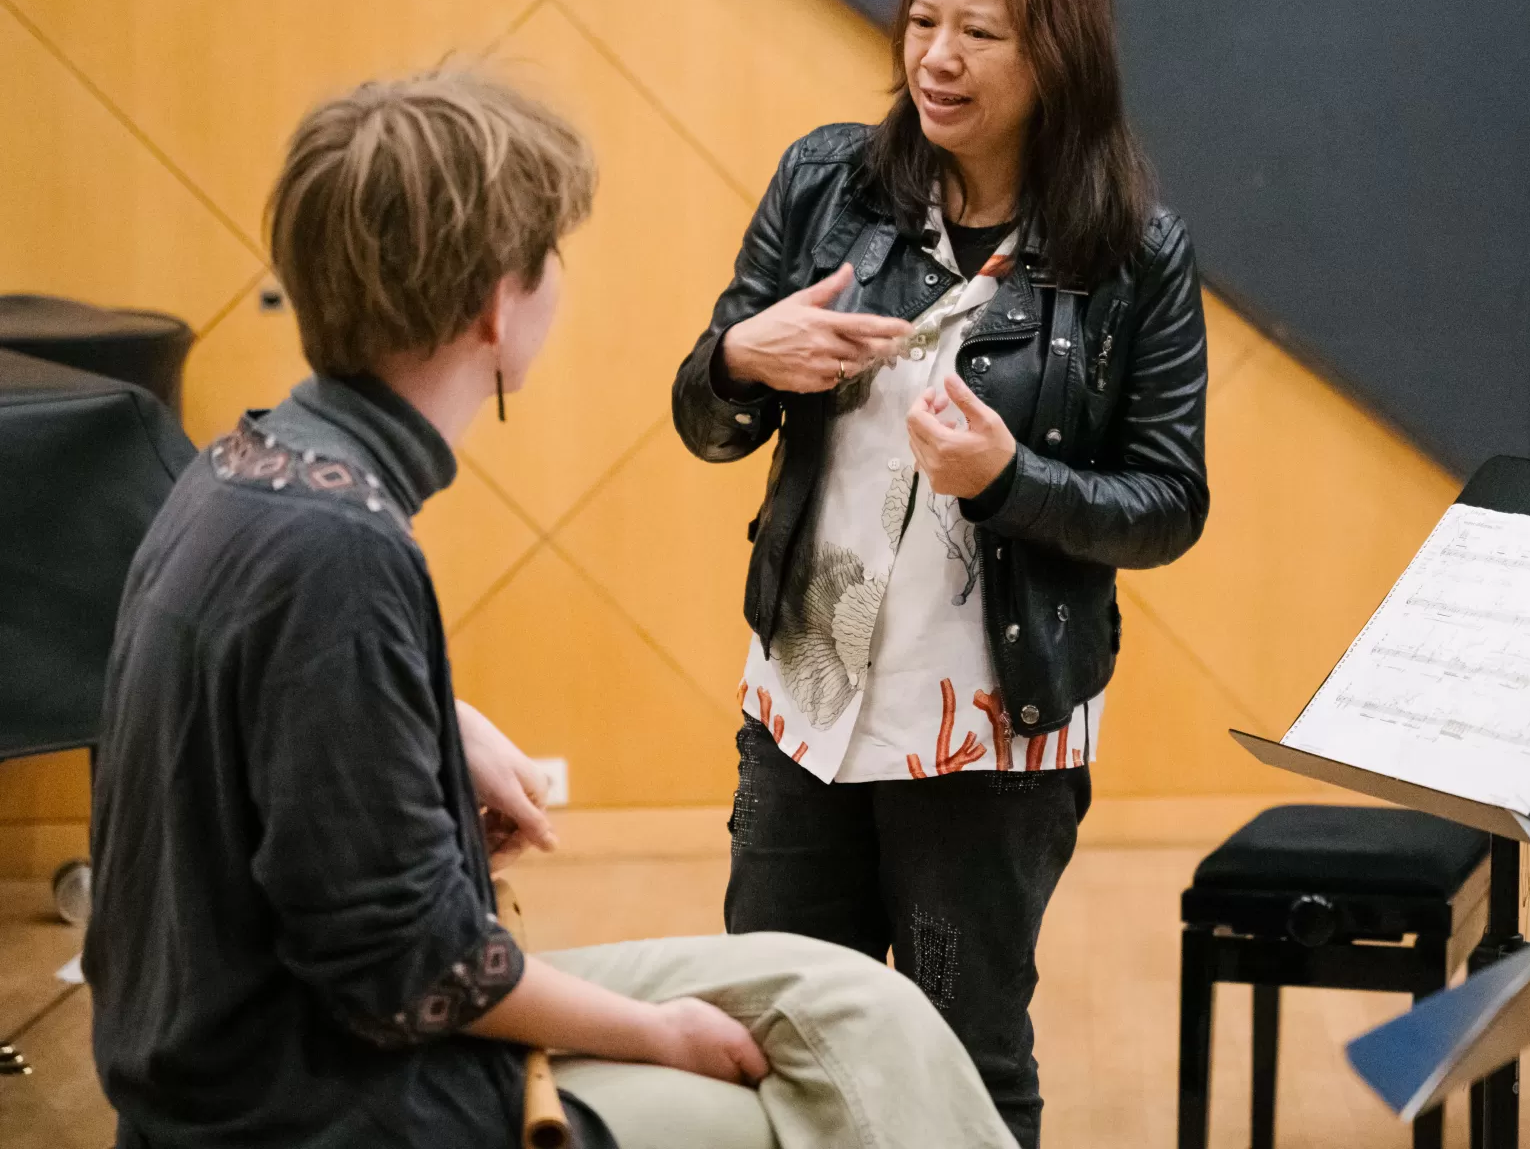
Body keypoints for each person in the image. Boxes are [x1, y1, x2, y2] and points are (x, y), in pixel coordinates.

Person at [83, 69, 1018, 1149]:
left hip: (277, 1032)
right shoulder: (337, 550)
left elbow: (288, 735)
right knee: (788, 1098)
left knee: (856, 1003)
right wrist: (657, 1036)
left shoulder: (251, 464)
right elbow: (411, 973)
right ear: (495, 304)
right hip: (308, 1097)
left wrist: (434, 722)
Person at [672, 0, 1210, 1146]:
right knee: (771, 1038)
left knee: (963, 1063)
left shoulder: (1132, 254)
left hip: (989, 731)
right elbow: (709, 421)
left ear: (1057, 55)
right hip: (805, 703)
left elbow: (1168, 505)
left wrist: (1010, 480)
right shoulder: (827, 184)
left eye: (981, 34)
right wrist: (742, 358)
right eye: (923, 22)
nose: (937, 59)